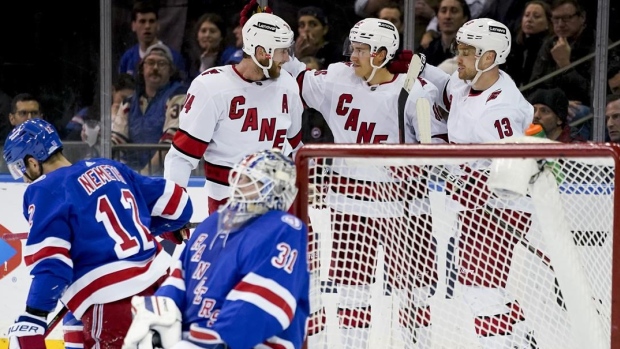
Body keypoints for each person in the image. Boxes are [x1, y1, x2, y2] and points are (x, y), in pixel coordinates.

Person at [283, 17, 448, 348]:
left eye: (360, 50)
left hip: (407, 210)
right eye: (352, 48)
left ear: (382, 54)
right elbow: (295, 73)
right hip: (350, 206)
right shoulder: (337, 77)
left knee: (414, 297)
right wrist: (266, 29)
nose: (352, 56)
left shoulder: (417, 92)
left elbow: (437, 149)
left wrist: (417, 162)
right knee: (350, 293)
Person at [3, 118, 193, 349]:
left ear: (33, 163)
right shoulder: (109, 167)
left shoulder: (44, 190)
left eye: (21, 170)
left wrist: (35, 313)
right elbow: (179, 203)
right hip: (165, 286)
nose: (23, 179)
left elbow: (53, 265)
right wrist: (161, 226)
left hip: (113, 303)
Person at [421, 18, 535, 347]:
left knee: (480, 290)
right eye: (459, 49)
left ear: (488, 58)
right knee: (480, 291)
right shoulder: (468, 82)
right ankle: (520, 337)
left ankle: (502, 343)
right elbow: (447, 87)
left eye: (467, 51)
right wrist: (419, 65)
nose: (459, 57)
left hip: (500, 206)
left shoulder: (500, 110)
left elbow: (512, 170)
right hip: (474, 204)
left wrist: (473, 179)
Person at [122, 148, 309, 349]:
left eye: (250, 180)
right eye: (240, 177)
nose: (239, 184)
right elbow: (181, 277)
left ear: (276, 190)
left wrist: (212, 343)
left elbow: (261, 303)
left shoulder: (284, 228)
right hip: (192, 341)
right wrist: (158, 310)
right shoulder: (214, 222)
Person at [163, 12, 303, 215]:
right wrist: (172, 209)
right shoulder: (211, 87)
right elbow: (182, 157)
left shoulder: (288, 85)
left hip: (280, 201)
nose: (287, 58)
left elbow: (296, 147)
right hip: (228, 204)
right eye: (282, 51)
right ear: (263, 52)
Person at [112, 43, 187, 173]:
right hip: (135, 173)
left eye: (162, 64)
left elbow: (170, 143)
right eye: (150, 63)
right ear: (142, 68)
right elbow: (116, 141)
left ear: (171, 71)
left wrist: (145, 174)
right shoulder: (129, 102)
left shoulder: (178, 96)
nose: (155, 68)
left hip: (166, 176)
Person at [118, 1, 187, 83]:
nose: (147, 26)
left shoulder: (173, 58)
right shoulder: (127, 58)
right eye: (142, 21)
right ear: (133, 26)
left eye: (151, 21)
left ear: (158, 25)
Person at [503, 0, 554, 87]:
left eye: (536, 16)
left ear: (548, 23)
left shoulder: (550, 47)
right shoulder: (515, 46)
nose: (529, 20)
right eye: (526, 15)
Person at [419, 0, 471, 66]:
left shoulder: (471, 51)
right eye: (443, 11)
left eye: (454, 11)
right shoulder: (428, 51)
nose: (447, 16)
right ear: (437, 17)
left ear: (464, 18)